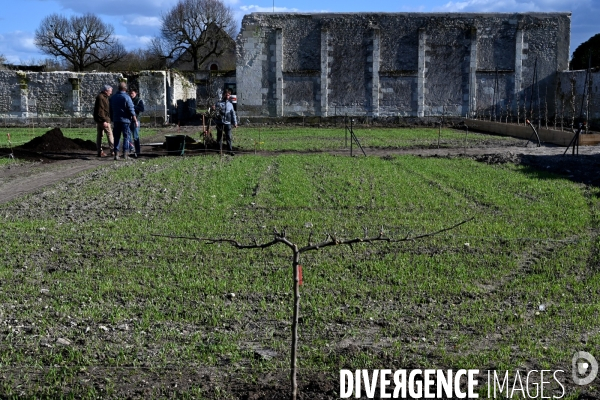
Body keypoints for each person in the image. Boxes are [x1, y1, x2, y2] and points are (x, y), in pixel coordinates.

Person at [109, 82, 138, 160]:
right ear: (125, 88)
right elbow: (131, 109)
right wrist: (135, 120)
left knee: (117, 137)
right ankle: (125, 153)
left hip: (116, 120)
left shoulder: (113, 97)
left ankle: (116, 154)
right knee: (126, 137)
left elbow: (110, 109)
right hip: (125, 120)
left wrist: (112, 118)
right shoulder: (127, 97)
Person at [213, 89, 238, 155]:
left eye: (229, 95)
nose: (227, 96)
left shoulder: (230, 105)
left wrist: (235, 122)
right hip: (220, 123)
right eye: (226, 94)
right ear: (223, 95)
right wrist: (213, 108)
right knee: (219, 137)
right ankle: (219, 151)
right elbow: (213, 112)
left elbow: (233, 114)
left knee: (228, 137)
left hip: (228, 123)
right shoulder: (218, 103)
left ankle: (230, 151)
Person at [93, 84, 114, 157]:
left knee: (100, 135)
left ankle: (99, 151)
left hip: (99, 119)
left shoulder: (102, 97)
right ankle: (113, 150)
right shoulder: (101, 98)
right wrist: (104, 120)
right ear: (106, 91)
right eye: (110, 91)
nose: (111, 93)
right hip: (103, 120)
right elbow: (101, 110)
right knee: (109, 134)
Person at [128, 88, 145, 158]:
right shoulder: (129, 99)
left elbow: (142, 109)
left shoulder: (139, 100)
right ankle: (130, 149)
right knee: (128, 136)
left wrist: (133, 107)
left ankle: (138, 151)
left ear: (136, 93)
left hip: (136, 120)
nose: (131, 95)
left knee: (135, 136)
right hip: (129, 120)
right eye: (130, 93)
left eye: (132, 93)